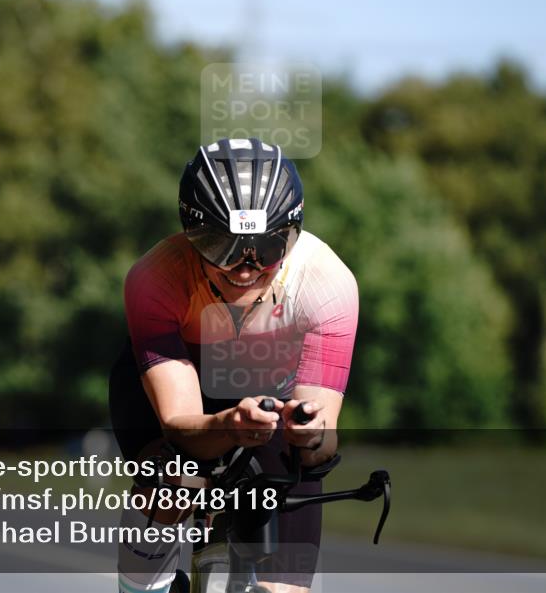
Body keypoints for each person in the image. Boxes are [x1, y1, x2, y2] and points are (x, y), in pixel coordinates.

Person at [109, 138, 359, 593]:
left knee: (297, 471)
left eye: (267, 247)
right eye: (222, 247)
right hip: (180, 398)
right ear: (191, 234)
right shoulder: (156, 277)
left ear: (293, 233)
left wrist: (309, 434)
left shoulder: (327, 284)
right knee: (172, 482)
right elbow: (180, 424)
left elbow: (321, 446)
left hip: (273, 398)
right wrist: (228, 424)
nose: (245, 269)